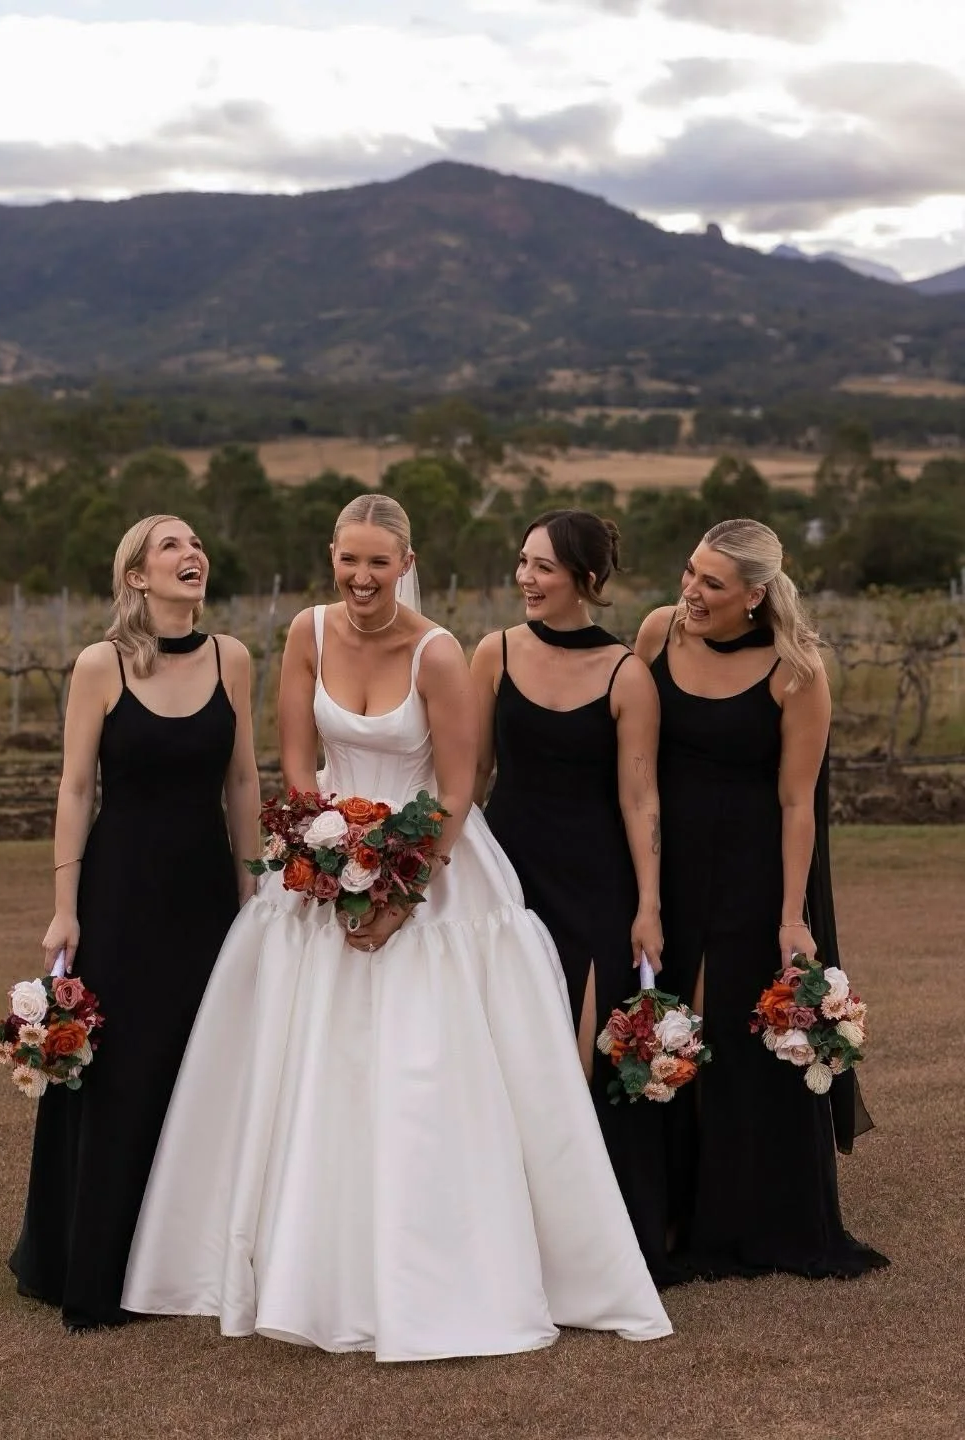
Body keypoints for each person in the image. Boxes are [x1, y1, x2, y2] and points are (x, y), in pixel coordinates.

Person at [122, 494, 672, 1360]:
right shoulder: (305, 632)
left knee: (425, 1073)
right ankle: (295, 1258)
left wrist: (399, 892)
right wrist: (321, 854)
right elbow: (296, 761)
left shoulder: (441, 652)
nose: (362, 578)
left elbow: (457, 788)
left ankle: (444, 1266)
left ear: (405, 561)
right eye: (350, 560)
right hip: (322, 868)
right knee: (306, 1066)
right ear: (331, 555)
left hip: (433, 869)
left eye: (380, 562)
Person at [9, 513, 260, 1330]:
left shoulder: (234, 659)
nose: (192, 553)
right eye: (170, 546)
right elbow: (76, 789)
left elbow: (245, 786)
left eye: (195, 541)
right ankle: (96, 1265)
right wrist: (63, 908)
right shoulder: (101, 665)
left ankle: (184, 1267)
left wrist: (254, 897)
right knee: (118, 1068)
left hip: (205, 897)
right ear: (137, 577)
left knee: (200, 1062)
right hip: (120, 892)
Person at [634, 517, 888, 1280]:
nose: (691, 591)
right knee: (668, 1026)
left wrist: (791, 917)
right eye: (689, 572)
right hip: (668, 865)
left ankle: (748, 1216)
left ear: (754, 594)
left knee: (741, 1038)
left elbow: (797, 803)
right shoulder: (655, 635)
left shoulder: (795, 669)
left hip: (753, 872)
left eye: (711, 583)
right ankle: (670, 1210)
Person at [471, 510, 674, 1283]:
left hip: (594, 882)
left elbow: (640, 799)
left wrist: (648, 903)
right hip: (507, 875)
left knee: (582, 1052)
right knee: (506, 1052)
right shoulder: (492, 653)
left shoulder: (628, 675)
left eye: (543, 568)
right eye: (522, 562)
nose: (525, 578)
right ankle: (508, 1238)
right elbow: (472, 775)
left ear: (587, 581)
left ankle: (591, 1245)